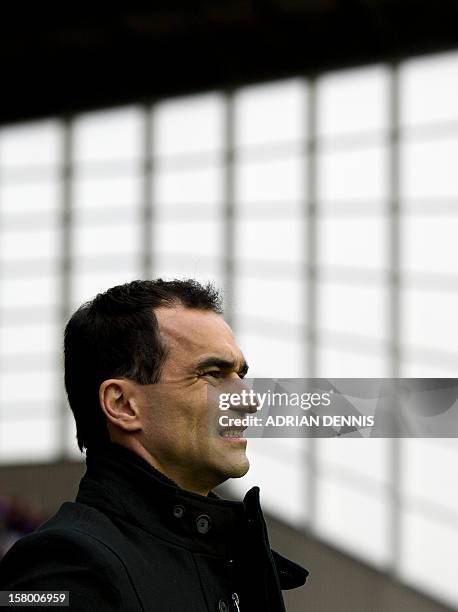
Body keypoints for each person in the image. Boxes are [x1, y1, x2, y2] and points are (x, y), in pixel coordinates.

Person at [0, 279, 308, 611]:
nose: (249, 400)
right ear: (122, 404)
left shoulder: (235, 563)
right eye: (213, 374)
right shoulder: (64, 570)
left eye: (240, 376)